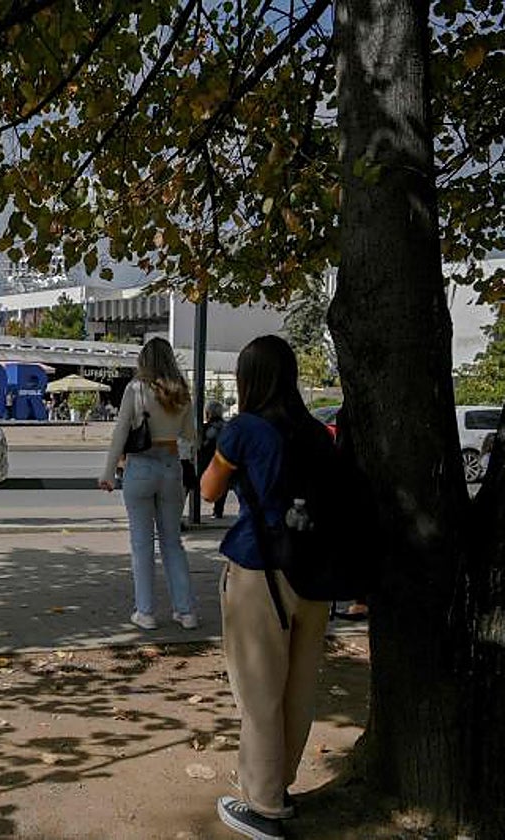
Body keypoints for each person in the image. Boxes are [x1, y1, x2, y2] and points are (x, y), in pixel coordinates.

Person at [200, 335, 331, 840]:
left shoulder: (244, 430)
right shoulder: (317, 433)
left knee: (258, 693)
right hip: (314, 574)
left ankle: (263, 805)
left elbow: (209, 489)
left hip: (260, 569)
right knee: (299, 688)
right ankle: (282, 786)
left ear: (248, 379)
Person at [98, 336, 197, 631]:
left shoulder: (136, 388)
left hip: (140, 467)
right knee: (172, 542)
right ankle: (186, 611)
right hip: (170, 466)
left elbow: (120, 433)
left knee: (142, 543)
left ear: (144, 360)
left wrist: (107, 473)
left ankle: (146, 612)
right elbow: (190, 436)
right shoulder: (182, 392)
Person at [198, 400, 229, 518]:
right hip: (222, 461)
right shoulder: (226, 427)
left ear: (208, 413)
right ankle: (218, 510)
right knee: (223, 485)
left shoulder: (204, 428)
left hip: (205, 462)